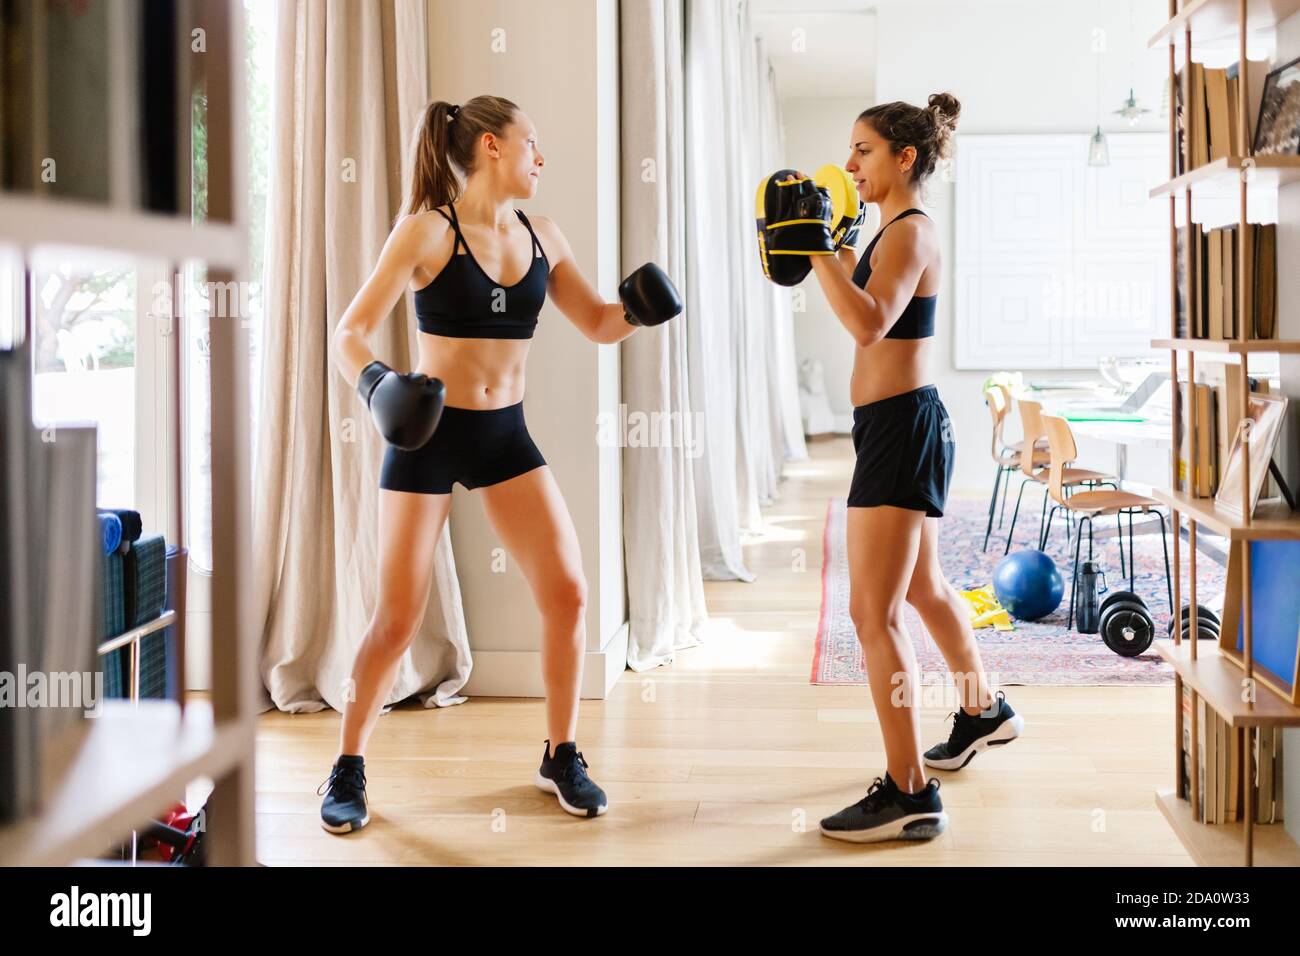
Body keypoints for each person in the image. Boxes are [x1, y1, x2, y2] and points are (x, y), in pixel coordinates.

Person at [319, 95, 681, 833]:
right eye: (532, 145)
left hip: (503, 437)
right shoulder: (426, 230)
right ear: (491, 146)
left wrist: (640, 308)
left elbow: (599, 324)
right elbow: (347, 331)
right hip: (423, 432)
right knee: (396, 618)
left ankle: (560, 753)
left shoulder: (543, 236)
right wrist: (378, 386)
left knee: (570, 592)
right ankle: (349, 764)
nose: (541, 159)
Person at [799, 93, 1024, 843]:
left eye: (863, 150)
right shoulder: (890, 228)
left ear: (904, 157)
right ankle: (983, 708)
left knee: (874, 615)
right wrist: (830, 248)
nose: (850, 163)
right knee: (922, 589)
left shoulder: (908, 230)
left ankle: (908, 790)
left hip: (901, 429)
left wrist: (821, 253)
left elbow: (868, 321)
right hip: (893, 426)